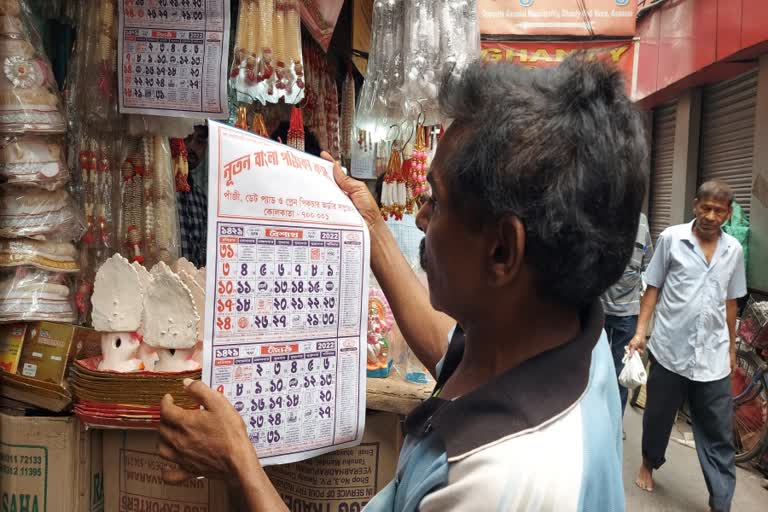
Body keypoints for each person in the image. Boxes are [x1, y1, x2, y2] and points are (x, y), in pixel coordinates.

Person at [157, 56, 647, 510]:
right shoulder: (567, 334)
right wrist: (370, 228)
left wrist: (240, 465)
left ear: (502, 250)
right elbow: (446, 350)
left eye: (435, 200)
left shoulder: (496, 482)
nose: (418, 219)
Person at [629, 181, 747, 512]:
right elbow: (652, 289)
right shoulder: (671, 239)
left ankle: (721, 500)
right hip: (669, 349)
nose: (711, 215)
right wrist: (641, 333)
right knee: (658, 416)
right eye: (705, 207)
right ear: (695, 205)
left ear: (728, 213)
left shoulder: (733, 250)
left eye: (718, 210)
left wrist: (732, 348)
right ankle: (649, 463)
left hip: (713, 355)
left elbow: (731, 301)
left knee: (718, 431)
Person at [602, 212, 653, 419]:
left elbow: (649, 264)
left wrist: (642, 292)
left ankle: (615, 422)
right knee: (594, 368)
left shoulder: (641, 222)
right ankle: (593, 422)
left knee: (621, 373)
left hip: (628, 313)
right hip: (598, 310)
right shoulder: (599, 215)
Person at [176, 124, 209, 268]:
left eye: (200, 140)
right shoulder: (160, 191)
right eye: (187, 138)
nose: (192, 147)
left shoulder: (201, 199)